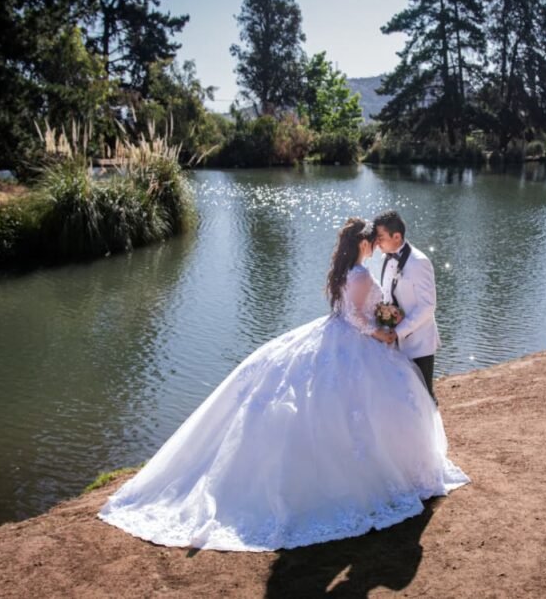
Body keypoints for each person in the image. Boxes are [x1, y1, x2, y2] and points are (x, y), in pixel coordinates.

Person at [98, 218, 468, 552]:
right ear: (362, 243)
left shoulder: (349, 271)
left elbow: (356, 311)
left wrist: (386, 323)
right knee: (368, 407)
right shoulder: (359, 275)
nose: (376, 246)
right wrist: (379, 331)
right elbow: (357, 318)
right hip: (359, 341)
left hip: (344, 334)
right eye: (373, 241)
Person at [373, 210, 440, 402]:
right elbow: (387, 295)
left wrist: (399, 332)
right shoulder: (385, 258)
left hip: (419, 343)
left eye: (381, 238)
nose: (377, 243)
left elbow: (428, 306)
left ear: (397, 236)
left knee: (424, 397)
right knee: (402, 398)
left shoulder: (419, 262)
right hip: (394, 342)